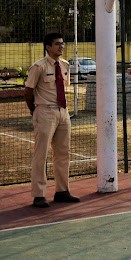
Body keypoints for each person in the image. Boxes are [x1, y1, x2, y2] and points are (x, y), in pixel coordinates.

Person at [23, 32, 81, 208]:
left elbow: (63, 87)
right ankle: (39, 195)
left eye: (62, 43)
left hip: (63, 112)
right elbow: (28, 92)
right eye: (57, 44)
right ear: (48, 47)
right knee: (41, 154)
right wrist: (36, 112)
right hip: (45, 112)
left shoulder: (64, 65)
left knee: (63, 153)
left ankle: (62, 191)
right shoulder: (38, 67)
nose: (61, 47)